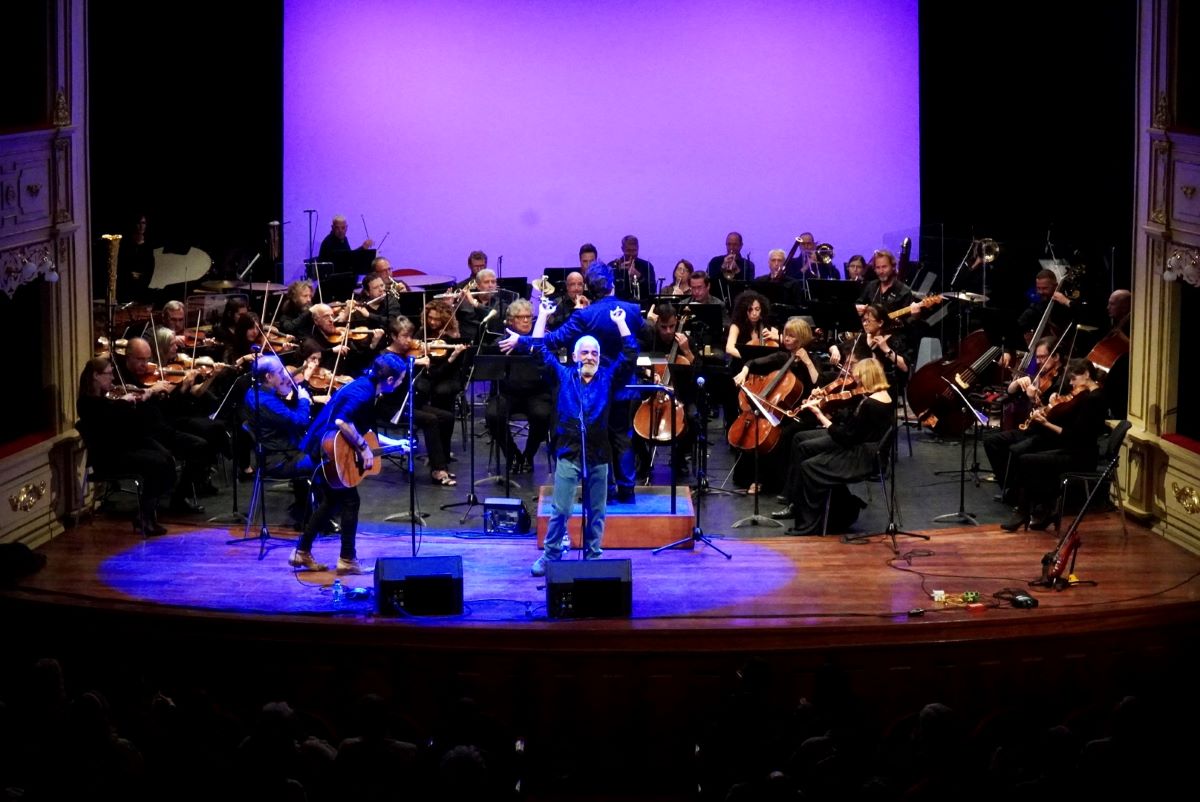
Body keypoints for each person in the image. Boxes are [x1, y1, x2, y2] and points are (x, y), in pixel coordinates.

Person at [499, 263, 643, 502]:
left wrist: (522, 341)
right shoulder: (632, 310)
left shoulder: (584, 315)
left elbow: (553, 341)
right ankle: (627, 490)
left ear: (588, 288)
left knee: (600, 439)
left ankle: (604, 491)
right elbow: (635, 345)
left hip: (595, 386)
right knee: (623, 437)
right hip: (623, 384)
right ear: (613, 285)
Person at [517, 300, 636, 576]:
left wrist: (621, 323)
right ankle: (551, 555)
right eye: (585, 352)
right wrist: (544, 317)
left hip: (598, 453)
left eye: (594, 352)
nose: (590, 356)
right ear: (574, 356)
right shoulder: (562, 375)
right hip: (568, 451)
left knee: (597, 513)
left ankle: (593, 556)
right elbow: (538, 350)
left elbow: (629, 354)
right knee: (561, 510)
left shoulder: (607, 377)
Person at [290, 352, 408, 575]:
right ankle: (346, 558)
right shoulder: (363, 392)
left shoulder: (366, 386)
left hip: (329, 448)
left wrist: (395, 443)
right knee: (349, 501)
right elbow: (342, 421)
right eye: (400, 379)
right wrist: (363, 448)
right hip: (327, 450)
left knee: (331, 502)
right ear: (390, 380)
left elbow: (364, 431)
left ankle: (302, 551)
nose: (401, 383)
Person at [781, 357, 894, 535]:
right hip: (863, 448)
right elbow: (853, 429)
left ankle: (811, 523)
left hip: (861, 456)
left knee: (809, 466)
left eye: (858, 377)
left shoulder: (870, 404)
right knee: (803, 443)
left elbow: (847, 437)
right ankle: (801, 506)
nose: (856, 381)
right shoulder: (883, 398)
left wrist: (820, 415)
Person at [996, 358, 1108, 531]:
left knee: (1028, 460)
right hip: (1075, 450)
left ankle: (1028, 510)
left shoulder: (1094, 400)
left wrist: (1046, 423)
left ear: (1086, 374)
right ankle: (1042, 508)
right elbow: (1071, 424)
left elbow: (1075, 435)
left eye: (1073, 379)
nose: (1071, 383)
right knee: (1029, 458)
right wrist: (1054, 407)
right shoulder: (1088, 396)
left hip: (1082, 457)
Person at [77, 356, 177, 535]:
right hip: (108, 456)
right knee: (157, 463)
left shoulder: (107, 399)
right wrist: (123, 403)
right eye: (108, 374)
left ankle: (146, 514)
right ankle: (145, 517)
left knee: (167, 458)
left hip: (124, 447)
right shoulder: (87, 403)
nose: (113, 378)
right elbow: (106, 421)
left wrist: (143, 398)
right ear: (96, 376)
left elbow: (127, 423)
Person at [241, 354, 316, 527]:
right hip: (278, 460)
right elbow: (300, 421)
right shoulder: (267, 403)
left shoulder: (253, 393)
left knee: (314, 451)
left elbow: (281, 417)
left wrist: (283, 391)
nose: (284, 374)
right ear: (268, 377)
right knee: (324, 461)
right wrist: (304, 400)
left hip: (278, 451)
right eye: (280, 371)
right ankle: (315, 517)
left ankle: (303, 508)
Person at [484, 300, 553, 474]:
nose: (525, 321)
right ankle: (512, 454)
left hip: (536, 393)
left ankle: (529, 454)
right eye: (520, 317)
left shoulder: (542, 339)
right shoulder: (501, 341)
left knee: (543, 414)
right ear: (510, 321)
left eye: (528, 317)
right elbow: (490, 368)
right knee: (493, 415)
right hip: (507, 394)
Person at [725, 291, 778, 360]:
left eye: (757, 309)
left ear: (762, 310)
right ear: (744, 310)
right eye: (750, 310)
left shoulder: (765, 326)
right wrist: (751, 358)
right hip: (741, 363)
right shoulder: (736, 326)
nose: (754, 313)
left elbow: (787, 338)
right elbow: (729, 348)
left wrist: (777, 337)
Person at [609, 234, 656, 303]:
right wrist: (618, 272)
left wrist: (639, 276)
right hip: (618, 305)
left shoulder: (647, 266)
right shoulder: (612, 266)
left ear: (638, 248)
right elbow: (607, 289)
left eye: (634, 250)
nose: (631, 254)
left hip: (641, 304)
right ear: (622, 249)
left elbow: (652, 291)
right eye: (628, 250)